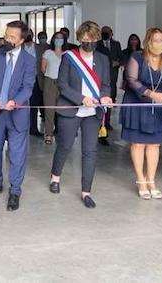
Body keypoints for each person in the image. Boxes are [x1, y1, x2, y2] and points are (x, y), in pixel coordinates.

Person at [50, 21, 112, 209]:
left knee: (90, 151)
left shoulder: (102, 59)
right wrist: (81, 98)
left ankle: (86, 191)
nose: (88, 43)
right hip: (72, 109)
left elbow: (106, 84)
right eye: (84, 40)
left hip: (93, 112)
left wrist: (105, 97)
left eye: (92, 40)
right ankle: (55, 177)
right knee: (65, 146)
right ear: (79, 39)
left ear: (97, 39)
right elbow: (62, 85)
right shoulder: (70, 58)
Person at [0, 20, 36, 211]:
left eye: (12, 37)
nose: (7, 39)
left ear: (21, 40)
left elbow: (28, 87)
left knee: (17, 154)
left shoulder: (29, 60)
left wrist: (16, 102)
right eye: (6, 35)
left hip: (17, 114)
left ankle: (15, 191)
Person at [120, 28, 162, 200]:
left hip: (158, 106)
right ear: (147, 42)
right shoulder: (137, 57)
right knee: (138, 144)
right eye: (155, 40)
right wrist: (150, 94)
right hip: (137, 103)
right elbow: (131, 80)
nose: (158, 44)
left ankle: (151, 180)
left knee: (154, 145)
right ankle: (140, 180)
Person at [41, 31, 67, 145]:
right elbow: (43, 68)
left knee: (63, 109)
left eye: (61, 38)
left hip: (63, 84)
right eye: (57, 38)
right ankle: (49, 134)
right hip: (50, 82)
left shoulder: (67, 53)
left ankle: (62, 134)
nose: (58, 40)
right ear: (53, 39)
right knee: (49, 109)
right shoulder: (48, 52)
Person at [96, 26, 122, 138]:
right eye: (104, 32)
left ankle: (107, 122)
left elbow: (121, 57)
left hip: (112, 75)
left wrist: (117, 62)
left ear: (111, 33)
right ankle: (99, 124)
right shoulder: (97, 44)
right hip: (100, 75)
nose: (105, 34)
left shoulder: (116, 44)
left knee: (110, 97)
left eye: (107, 32)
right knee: (100, 98)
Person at [23, 30, 43, 137]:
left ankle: (33, 128)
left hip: (36, 80)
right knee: (21, 105)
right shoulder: (18, 47)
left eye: (29, 34)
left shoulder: (40, 48)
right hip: (22, 81)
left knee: (34, 105)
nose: (28, 36)